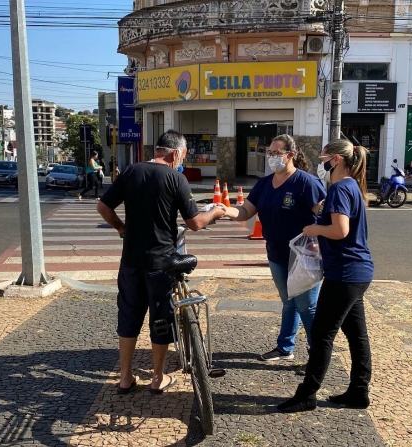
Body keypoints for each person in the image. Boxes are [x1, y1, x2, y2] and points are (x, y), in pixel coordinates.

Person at [97, 129, 225, 394]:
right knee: (160, 318)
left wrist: (122, 229)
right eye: (184, 156)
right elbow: (195, 223)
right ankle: (157, 378)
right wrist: (215, 212)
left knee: (129, 316)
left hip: (130, 260)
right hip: (161, 262)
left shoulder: (131, 171)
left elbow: (103, 208)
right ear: (177, 153)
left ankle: (125, 377)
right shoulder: (176, 178)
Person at [277, 139, 374, 413]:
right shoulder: (352, 186)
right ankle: (358, 391)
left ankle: (307, 394)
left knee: (321, 334)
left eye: (324, 159)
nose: (321, 164)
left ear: (337, 160)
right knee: (356, 336)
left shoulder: (341, 188)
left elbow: (340, 230)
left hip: (345, 273)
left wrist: (314, 230)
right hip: (357, 271)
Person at [222, 134, 326, 362]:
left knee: (307, 307)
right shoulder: (263, 184)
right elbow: (246, 211)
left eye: (276, 153)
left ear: (290, 155)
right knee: (289, 302)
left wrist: (321, 235)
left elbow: (325, 214)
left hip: (304, 256)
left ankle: (318, 354)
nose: (271, 157)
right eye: (269, 152)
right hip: (277, 254)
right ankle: (285, 347)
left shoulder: (306, 182)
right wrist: (224, 210)